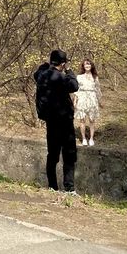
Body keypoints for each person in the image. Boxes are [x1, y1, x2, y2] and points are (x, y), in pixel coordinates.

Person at [34, 49, 79, 193]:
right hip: (65, 121)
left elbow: (37, 72)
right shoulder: (60, 77)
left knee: (52, 154)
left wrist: (45, 65)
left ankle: (52, 186)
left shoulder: (41, 75)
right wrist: (70, 71)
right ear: (63, 63)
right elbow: (74, 86)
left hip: (50, 121)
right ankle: (69, 188)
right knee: (69, 154)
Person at [74, 59, 103, 146]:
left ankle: (91, 138)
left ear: (91, 66)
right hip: (82, 98)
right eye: (85, 64)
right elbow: (77, 89)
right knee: (82, 120)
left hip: (92, 98)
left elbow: (98, 90)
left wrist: (100, 101)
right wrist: (75, 101)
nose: (87, 66)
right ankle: (83, 139)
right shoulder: (79, 77)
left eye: (89, 64)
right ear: (83, 66)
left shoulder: (95, 77)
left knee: (92, 120)